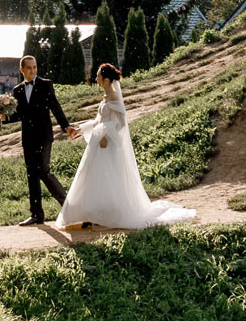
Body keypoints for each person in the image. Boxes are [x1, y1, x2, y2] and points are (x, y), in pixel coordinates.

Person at [58, 63, 196, 232]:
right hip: (97, 144)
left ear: (106, 79)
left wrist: (106, 136)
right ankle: (91, 214)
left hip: (107, 145)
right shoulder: (105, 98)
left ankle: (107, 214)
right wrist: (80, 130)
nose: (96, 79)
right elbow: (98, 121)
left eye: (98, 76)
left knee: (108, 178)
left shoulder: (115, 99)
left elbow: (120, 125)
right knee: (92, 178)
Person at [2, 52, 79, 225]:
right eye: (28, 68)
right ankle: (37, 215)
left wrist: (66, 126)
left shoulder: (46, 84)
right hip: (28, 137)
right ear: (22, 70)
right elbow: (20, 114)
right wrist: (4, 118)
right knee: (32, 174)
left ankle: (69, 207)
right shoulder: (17, 90)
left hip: (44, 136)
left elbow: (55, 106)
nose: (32, 70)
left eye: (35, 67)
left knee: (43, 170)